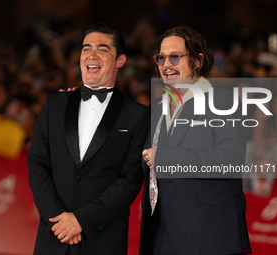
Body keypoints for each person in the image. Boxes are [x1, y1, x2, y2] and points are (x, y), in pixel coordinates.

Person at [27, 23, 149, 255]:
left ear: (120, 60)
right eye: (86, 49)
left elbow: (130, 180)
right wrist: (59, 222)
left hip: (103, 241)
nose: (92, 55)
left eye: (102, 49)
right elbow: (37, 163)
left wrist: (81, 220)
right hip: (54, 237)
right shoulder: (54, 105)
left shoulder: (138, 115)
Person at [140, 26, 252, 255]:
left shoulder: (223, 101)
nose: (166, 64)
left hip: (211, 237)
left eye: (175, 57)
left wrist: (166, 158)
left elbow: (230, 160)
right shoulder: (156, 109)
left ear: (198, 61)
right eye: (161, 58)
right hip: (162, 238)